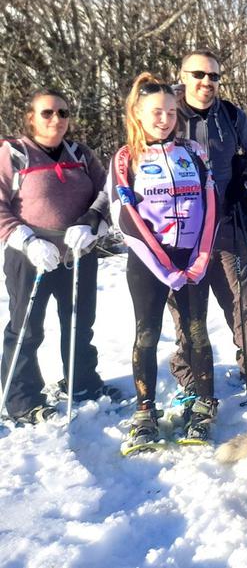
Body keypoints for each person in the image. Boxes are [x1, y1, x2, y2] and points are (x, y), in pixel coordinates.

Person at [109, 73, 219, 452]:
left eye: (171, 112)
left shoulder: (193, 152)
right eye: (156, 112)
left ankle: (204, 404)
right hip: (148, 263)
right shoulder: (126, 158)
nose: (165, 119)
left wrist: (199, 260)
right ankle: (144, 411)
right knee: (147, 335)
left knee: (196, 333)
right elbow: (125, 218)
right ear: (137, 114)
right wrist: (164, 267)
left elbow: (211, 209)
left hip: (191, 260)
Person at [0, 89, 120, 424]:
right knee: (26, 328)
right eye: (48, 113)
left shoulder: (80, 153)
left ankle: (82, 383)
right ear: (31, 117)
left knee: (79, 324)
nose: (57, 119)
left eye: (63, 113)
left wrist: (93, 225)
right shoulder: (14, 153)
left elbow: (108, 193)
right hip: (31, 256)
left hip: (78, 252)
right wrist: (26, 240)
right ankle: (22, 399)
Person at [171, 48, 247, 397]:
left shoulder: (230, 115)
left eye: (213, 76)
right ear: (183, 75)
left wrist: (240, 183)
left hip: (226, 223)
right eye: (199, 74)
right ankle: (190, 376)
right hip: (183, 231)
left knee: (244, 297)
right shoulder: (166, 114)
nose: (206, 82)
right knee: (187, 305)